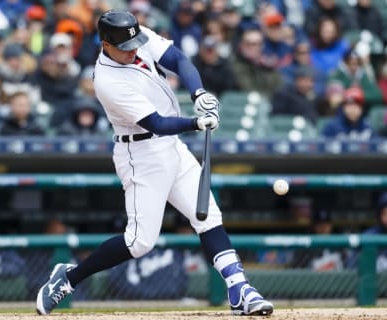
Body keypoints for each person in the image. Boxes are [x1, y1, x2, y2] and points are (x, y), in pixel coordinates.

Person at [36, 10, 273, 316]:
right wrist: (196, 122)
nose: (134, 49)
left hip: (171, 147)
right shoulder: (106, 80)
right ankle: (68, 278)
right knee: (139, 242)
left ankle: (240, 290)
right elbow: (157, 123)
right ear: (106, 44)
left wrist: (198, 92)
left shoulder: (134, 36)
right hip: (141, 155)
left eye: (135, 42)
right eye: (126, 47)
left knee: (209, 217)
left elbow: (178, 60)